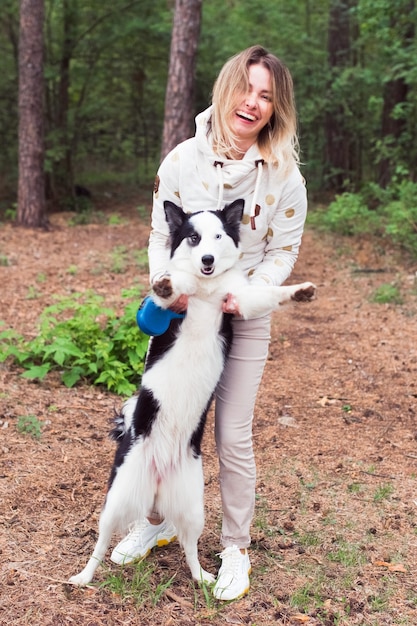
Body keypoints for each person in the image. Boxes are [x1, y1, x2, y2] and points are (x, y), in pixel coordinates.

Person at [110, 45, 308, 601]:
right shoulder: (181, 161)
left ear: (277, 107)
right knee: (165, 425)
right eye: (246, 88)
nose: (253, 102)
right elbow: (159, 234)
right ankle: (158, 521)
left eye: (267, 95)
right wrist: (165, 286)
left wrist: (247, 294)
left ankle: (235, 547)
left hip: (243, 314)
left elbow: (283, 253)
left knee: (232, 432)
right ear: (226, 90)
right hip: (182, 312)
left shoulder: (286, 178)